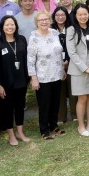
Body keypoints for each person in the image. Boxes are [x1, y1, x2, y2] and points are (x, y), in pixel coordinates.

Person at [27, 11, 65, 140]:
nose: (44, 22)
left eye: (46, 19)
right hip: (42, 76)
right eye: (41, 20)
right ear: (36, 23)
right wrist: (33, 78)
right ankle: (44, 129)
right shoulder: (33, 37)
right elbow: (30, 59)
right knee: (44, 104)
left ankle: (54, 125)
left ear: (50, 20)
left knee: (55, 102)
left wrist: (63, 70)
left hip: (56, 73)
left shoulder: (55, 33)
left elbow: (60, 53)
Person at [0, 16, 30, 146]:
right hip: (6, 83)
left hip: (21, 81)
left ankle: (20, 132)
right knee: (7, 109)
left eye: (12, 24)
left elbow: (27, 60)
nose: (10, 27)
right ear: (2, 27)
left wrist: (28, 77)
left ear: (16, 26)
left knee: (20, 107)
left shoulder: (22, 40)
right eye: (7, 25)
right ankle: (11, 134)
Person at [67, 3, 89, 137]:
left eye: (85, 14)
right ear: (75, 16)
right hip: (79, 69)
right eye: (80, 14)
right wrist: (85, 68)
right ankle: (81, 126)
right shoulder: (71, 30)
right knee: (82, 98)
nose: (83, 16)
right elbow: (72, 53)